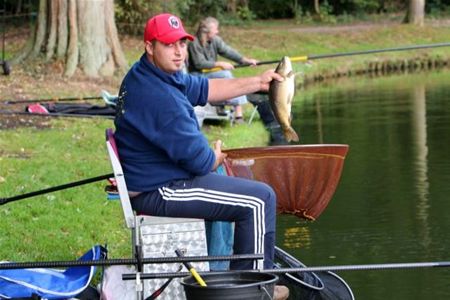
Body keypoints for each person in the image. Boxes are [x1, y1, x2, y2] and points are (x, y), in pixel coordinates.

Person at [114, 13, 288, 299]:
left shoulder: (151, 73)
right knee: (258, 200)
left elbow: (206, 89)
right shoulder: (160, 97)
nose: (179, 51)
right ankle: (255, 290)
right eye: (169, 45)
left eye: (182, 43)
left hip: (160, 177)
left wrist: (257, 82)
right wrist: (215, 156)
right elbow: (201, 161)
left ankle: (233, 276)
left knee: (244, 191)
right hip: (159, 189)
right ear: (150, 46)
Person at [188, 16, 258, 124]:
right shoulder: (194, 43)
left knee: (228, 77)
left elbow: (228, 51)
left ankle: (238, 113)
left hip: (210, 73)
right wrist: (219, 64)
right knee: (226, 75)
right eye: (216, 29)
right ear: (208, 31)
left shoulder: (215, 40)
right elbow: (199, 63)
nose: (217, 31)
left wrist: (245, 60)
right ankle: (236, 111)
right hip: (197, 75)